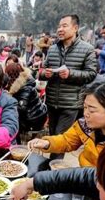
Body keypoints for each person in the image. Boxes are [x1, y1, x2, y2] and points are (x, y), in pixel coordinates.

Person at [27, 79, 105, 167]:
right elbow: (67, 140)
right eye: (84, 107)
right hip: (86, 177)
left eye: (91, 109)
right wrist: (47, 143)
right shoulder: (87, 124)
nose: (85, 113)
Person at [40, 14, 97, 159]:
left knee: (61, 139)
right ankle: (52, 168)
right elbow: (43, 70)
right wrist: (44, 74)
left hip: (71, 102)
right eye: (59, 26)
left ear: (75, 28)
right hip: (52, 101)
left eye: (64, 26)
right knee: (53, 136)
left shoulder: (87, 49)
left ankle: (53, 171)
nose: (60, 29)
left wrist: (71, 73)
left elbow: (91, 74)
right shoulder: (52, 49)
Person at [5, 63, 47, 138]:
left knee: (11, 123)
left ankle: (16, 144)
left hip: (33, 117)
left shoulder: (25, 87)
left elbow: (21, 108)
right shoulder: (22, 83)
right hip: (35, 113)